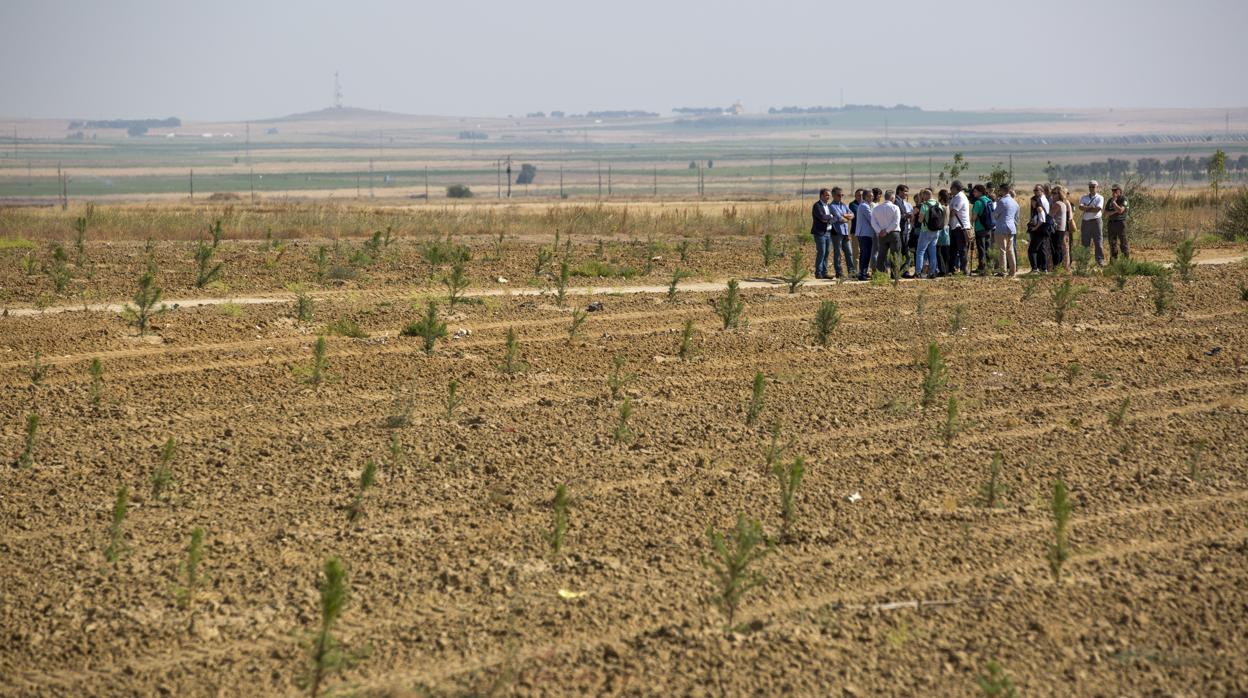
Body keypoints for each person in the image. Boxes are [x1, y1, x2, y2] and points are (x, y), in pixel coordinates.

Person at [872, 190, 903, 279]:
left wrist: (880, 231)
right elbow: (896, 222)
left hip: (881, 235)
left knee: (881, 255)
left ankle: (880, 275)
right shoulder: (895, 207)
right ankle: (895, 275)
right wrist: (887, 230)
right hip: (893, 233)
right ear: (892, 198)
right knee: (895, 255)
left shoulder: (876, 208)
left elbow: (873, 222)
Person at [913, 188, 943, 279]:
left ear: (926, 195)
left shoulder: (925, 205)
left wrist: (918, 218)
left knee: (920, 251)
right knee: (933, 252)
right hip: (936, 231)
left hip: (926, 231)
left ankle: (918, 272)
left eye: (923, 195)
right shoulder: (939, 204)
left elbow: (920, 219)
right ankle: (932, 272)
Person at [992, 184, 1020, 276]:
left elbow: (995, 214)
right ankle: (1013, 271)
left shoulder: (1002, 201)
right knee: (1010, 250)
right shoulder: (1015, 202)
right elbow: (1016, 218)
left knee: (1002, 250)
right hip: (1011, 228)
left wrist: (998, 218)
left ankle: (1003, 271)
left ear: (1002, 190)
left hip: (1001, 227)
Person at [829, 187, 855, 279]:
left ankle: (852, 273)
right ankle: (839, 273)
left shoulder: (844, 205)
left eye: (842, 195)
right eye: (838, 195)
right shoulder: (832, 206)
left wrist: (845, 216)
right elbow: (840, 218)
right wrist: (845, 217)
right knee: (838, 253)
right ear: (833, 195)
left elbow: (852, 215)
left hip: (845, 233)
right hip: (837, 233)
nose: (841, 197)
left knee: (849, 253)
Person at [1079, 180, 1106, 266]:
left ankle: (1100, 260)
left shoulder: (1100, 197)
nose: (1091, 188)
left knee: (1098, 241)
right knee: (1085, 242)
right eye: (1090, 187)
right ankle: (1084, 261)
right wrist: (1091, 207)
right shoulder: (1084, 197)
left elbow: (1098, 209)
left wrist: (1086, 208)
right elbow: (1080, 207)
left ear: (1097, 188)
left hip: (1096, 221)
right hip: (1085, 221)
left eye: (1093, 187)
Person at [811, 188, 835, 279]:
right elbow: (822, 217)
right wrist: (830, 217)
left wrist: (829, 218)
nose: (828, 197)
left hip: (828, 232)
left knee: (827, 252)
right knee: (821, 252)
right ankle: (818, 272)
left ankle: (825, 272)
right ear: (821, 195)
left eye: (829, 195)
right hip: (820, 232)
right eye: (826, 195)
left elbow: (834, 217)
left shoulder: (828, 206)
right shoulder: (817, 206)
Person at [971, 184, 995, 274]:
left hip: (980, 228)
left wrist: (971, 223)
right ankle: (989, 267)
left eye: (975, 191)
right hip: (988, 227)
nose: (973, 193)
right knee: (988, 248)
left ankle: (982, 267)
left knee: (981, 248)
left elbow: (974, 217)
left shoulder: (978, 202)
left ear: (980, 192)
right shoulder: (989, 200)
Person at [948, 181, 971, 275]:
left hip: (960, 227)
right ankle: (952, 268)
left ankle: (963, 269)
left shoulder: (960, 197)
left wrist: (949, 210)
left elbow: (953, 212)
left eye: (951, 188)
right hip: (955, 227)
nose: (950, 190)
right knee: (953, 249)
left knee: (962, 249)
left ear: (955, 188)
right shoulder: (955, 197)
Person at [1027, 187, 1051, 273]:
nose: (1031, 204)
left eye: (1032, 202)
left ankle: (1034, 268)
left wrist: (1035, 227)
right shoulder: (1037, 208)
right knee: (1041, 249)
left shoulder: (1039, 207)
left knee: (1032, 249)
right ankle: (1044, 268)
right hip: (1042, 229)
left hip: (1040, 230)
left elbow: (1042, 219)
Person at [854, 189, 876, 280]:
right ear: (865, 197)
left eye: (872, 196)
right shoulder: (864, 206)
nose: (872, 197)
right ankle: (862, 274)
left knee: (864, 254)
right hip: (865, 234)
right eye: (870, 196)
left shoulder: (867, 205)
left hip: (865, 233)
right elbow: (871, 219)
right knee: (865, 254)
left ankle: (863, 272)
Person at [1049, 185, 1072, 271]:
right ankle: (1060, 267)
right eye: (1052, 193)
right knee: (1059, 248)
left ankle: (1057, 267)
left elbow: (1050, 215)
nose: (1052, 195)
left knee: (1056, 248)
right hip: (1061, 228)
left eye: (1055, 193)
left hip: (1057, 229)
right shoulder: (1063, 203)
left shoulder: (1058, 203)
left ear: (1059, 194)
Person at [1106, 184, 1129, 260]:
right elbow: (1105, 213)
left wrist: (1114, 203)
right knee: (1112, 243)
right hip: (1111, 223)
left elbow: (1120, 210)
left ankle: (1125, 261)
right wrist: (1115, 211)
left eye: (1115, 190)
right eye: (1112, 190)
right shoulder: (1110, 200)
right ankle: (1113, 261)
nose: (1113, 192)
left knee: (1123, 243)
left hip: (1120, 223)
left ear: (1120, 191)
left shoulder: (1123, 199)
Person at [895, 185, 914, 277]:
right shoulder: (896, 201)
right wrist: (907, 216)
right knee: (904, 253)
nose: (907, 194)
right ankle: (903, 272)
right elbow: (897, 216)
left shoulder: (901, 201)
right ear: (899, 191)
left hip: (905, 230)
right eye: (905, 191)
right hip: (901, 230)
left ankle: (902, 271)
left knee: (904, 252)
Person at [935, 189, 953, 276]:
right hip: (947, 230)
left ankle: (942, 270)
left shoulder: (941, 207)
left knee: (938, 251)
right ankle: (946, 269)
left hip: (941, 230)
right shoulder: (948, 207)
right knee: (946, 251)